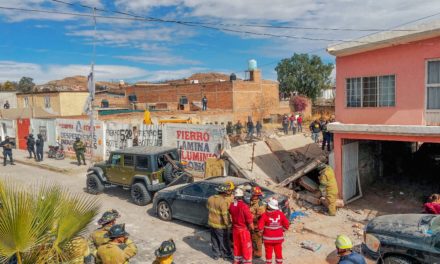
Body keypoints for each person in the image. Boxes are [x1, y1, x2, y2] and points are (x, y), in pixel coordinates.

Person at [258, 198, 289, 264]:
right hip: (278, 238)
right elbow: (286, 224)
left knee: (268, 253)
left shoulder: (264, 215)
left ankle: (269, 263)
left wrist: (260, 232)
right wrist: (283, 230)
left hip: (268, 239)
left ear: (269, 206)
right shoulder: (280, 214)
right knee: (278, 252)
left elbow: (260, 227)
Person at [207, 184, 233, 260]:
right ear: (224, 192)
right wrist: (228, 225)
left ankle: (216, 255)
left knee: (214, 239)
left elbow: (208, 208)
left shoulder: (210, 198)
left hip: (211, 223)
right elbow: (225, 215)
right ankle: (226, 255)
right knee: (224, 241)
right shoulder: (223, 201)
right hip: (220, 225)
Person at [229, 188, 254, 264]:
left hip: (235, 229)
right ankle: (247, 261)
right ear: (242, 196)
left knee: (237, 245)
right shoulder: (244, 206)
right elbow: (249, 220)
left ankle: (237, 260)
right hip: (243, 230)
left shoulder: (232, 205)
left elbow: (231, 214)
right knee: (246, 246)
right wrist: (252, 229)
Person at [249, 187, 266, 259]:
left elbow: (261, 217)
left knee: (257, 240)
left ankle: (257, 254)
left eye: (253, 194)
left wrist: (251, 217)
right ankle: (253, 251)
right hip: (252, 225)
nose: (252, 195)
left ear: (257, 195)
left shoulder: (260, 205)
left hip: (256, 226)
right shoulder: (252, 201)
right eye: (252, 194)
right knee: (253, 239)